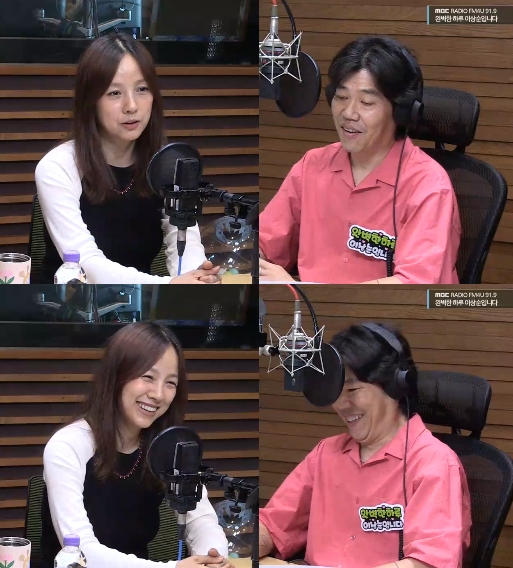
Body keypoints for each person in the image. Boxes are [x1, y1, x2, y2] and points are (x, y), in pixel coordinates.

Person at [259, 323, 471, 568]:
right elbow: (273, 525)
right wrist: (238, 546)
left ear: (394, 386)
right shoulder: (325, 454)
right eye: (336, 391)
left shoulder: (434, 464)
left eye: (353, 389)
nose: (340, 404)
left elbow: (428, 562)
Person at [259, 36, 461, 284]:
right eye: (341, 97)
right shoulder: (312, 165)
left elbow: (413, 286)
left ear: (400, 111)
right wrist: (239, 266)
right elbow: (265, 243)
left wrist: (301, 289)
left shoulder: (428, 186)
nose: (349, 113)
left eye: (366, 102)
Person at [39, 322, 231, 568]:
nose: (158, 394)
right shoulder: (68, 446)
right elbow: (81, 552)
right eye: (148, 377)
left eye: (170, 383)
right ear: (117, 376)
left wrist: (213, 559)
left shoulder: (168, 448)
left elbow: (201, 520)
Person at [35, 34, 220, 285]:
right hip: (71, 302)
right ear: (91, 101)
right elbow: (85, 263)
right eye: (114, 93)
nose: (131, 106)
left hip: (142, 303)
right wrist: (168, 285)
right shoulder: (58, 166)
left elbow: (184, 239)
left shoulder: (167, 163)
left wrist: (196, 276)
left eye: (142, 89)